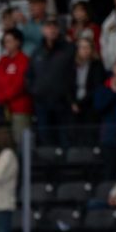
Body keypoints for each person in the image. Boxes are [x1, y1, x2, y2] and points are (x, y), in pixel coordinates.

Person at [28, 18, 74, 148]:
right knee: (45, 138)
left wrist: (70, 96)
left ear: (58, 30)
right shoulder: (37, 52)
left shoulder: (69, 49)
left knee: (65, 137)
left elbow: (74, 73)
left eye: (54, 26)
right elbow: (29, 75)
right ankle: (48, 167)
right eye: (48, 26)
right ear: (43, 30)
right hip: (41, 102)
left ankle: (67, 167)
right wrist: (34, 91)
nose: (51, 30)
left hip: (62, 101)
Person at [0, 29, 32, 144]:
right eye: (5, 42)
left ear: (18, 42)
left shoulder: (24, 60)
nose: (7, 44)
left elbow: (20, 84)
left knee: (20, 141)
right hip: (2, 108)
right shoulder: (2, 60)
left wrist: (2, 98)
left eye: (9, 41)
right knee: (4, 141)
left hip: (19, 108)